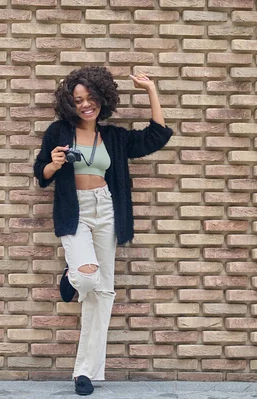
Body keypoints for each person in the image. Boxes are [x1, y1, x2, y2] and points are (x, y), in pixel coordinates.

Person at [33, 66, 173, 396]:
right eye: (78, 100)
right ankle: (72, 277)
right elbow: (42, 174)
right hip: (74, 210)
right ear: (69, 103)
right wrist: (54, 164)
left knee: (103, 293)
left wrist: (151, 90)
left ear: (101, 99)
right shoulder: (58, 132)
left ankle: (86, 371)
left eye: (91, 98)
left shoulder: (113, 137)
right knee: (87, 279)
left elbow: (156, 136)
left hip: (106, 209)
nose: (85, 105)